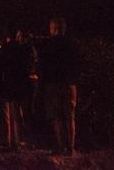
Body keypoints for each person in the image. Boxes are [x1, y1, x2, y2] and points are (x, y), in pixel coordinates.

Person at [38, 17, 80, 156]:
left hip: (53, 84)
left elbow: (43, 66)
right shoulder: (73, 44)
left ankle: (61, 146)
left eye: (51, 28)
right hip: (70, 84)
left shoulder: (48, 44)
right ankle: (71, 148)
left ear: (54, 29)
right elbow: (77, 65)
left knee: (57, 117)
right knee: (70, 116)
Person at [0, 29, 37, 150]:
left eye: (21, 36)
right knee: (20, 114)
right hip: (23, 84)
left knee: (22, 114)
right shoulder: (24, 50)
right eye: (18, 36)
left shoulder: (25, 50)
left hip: (22, 85)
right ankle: (19, 141)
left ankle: (19, 141)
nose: (19, 38)